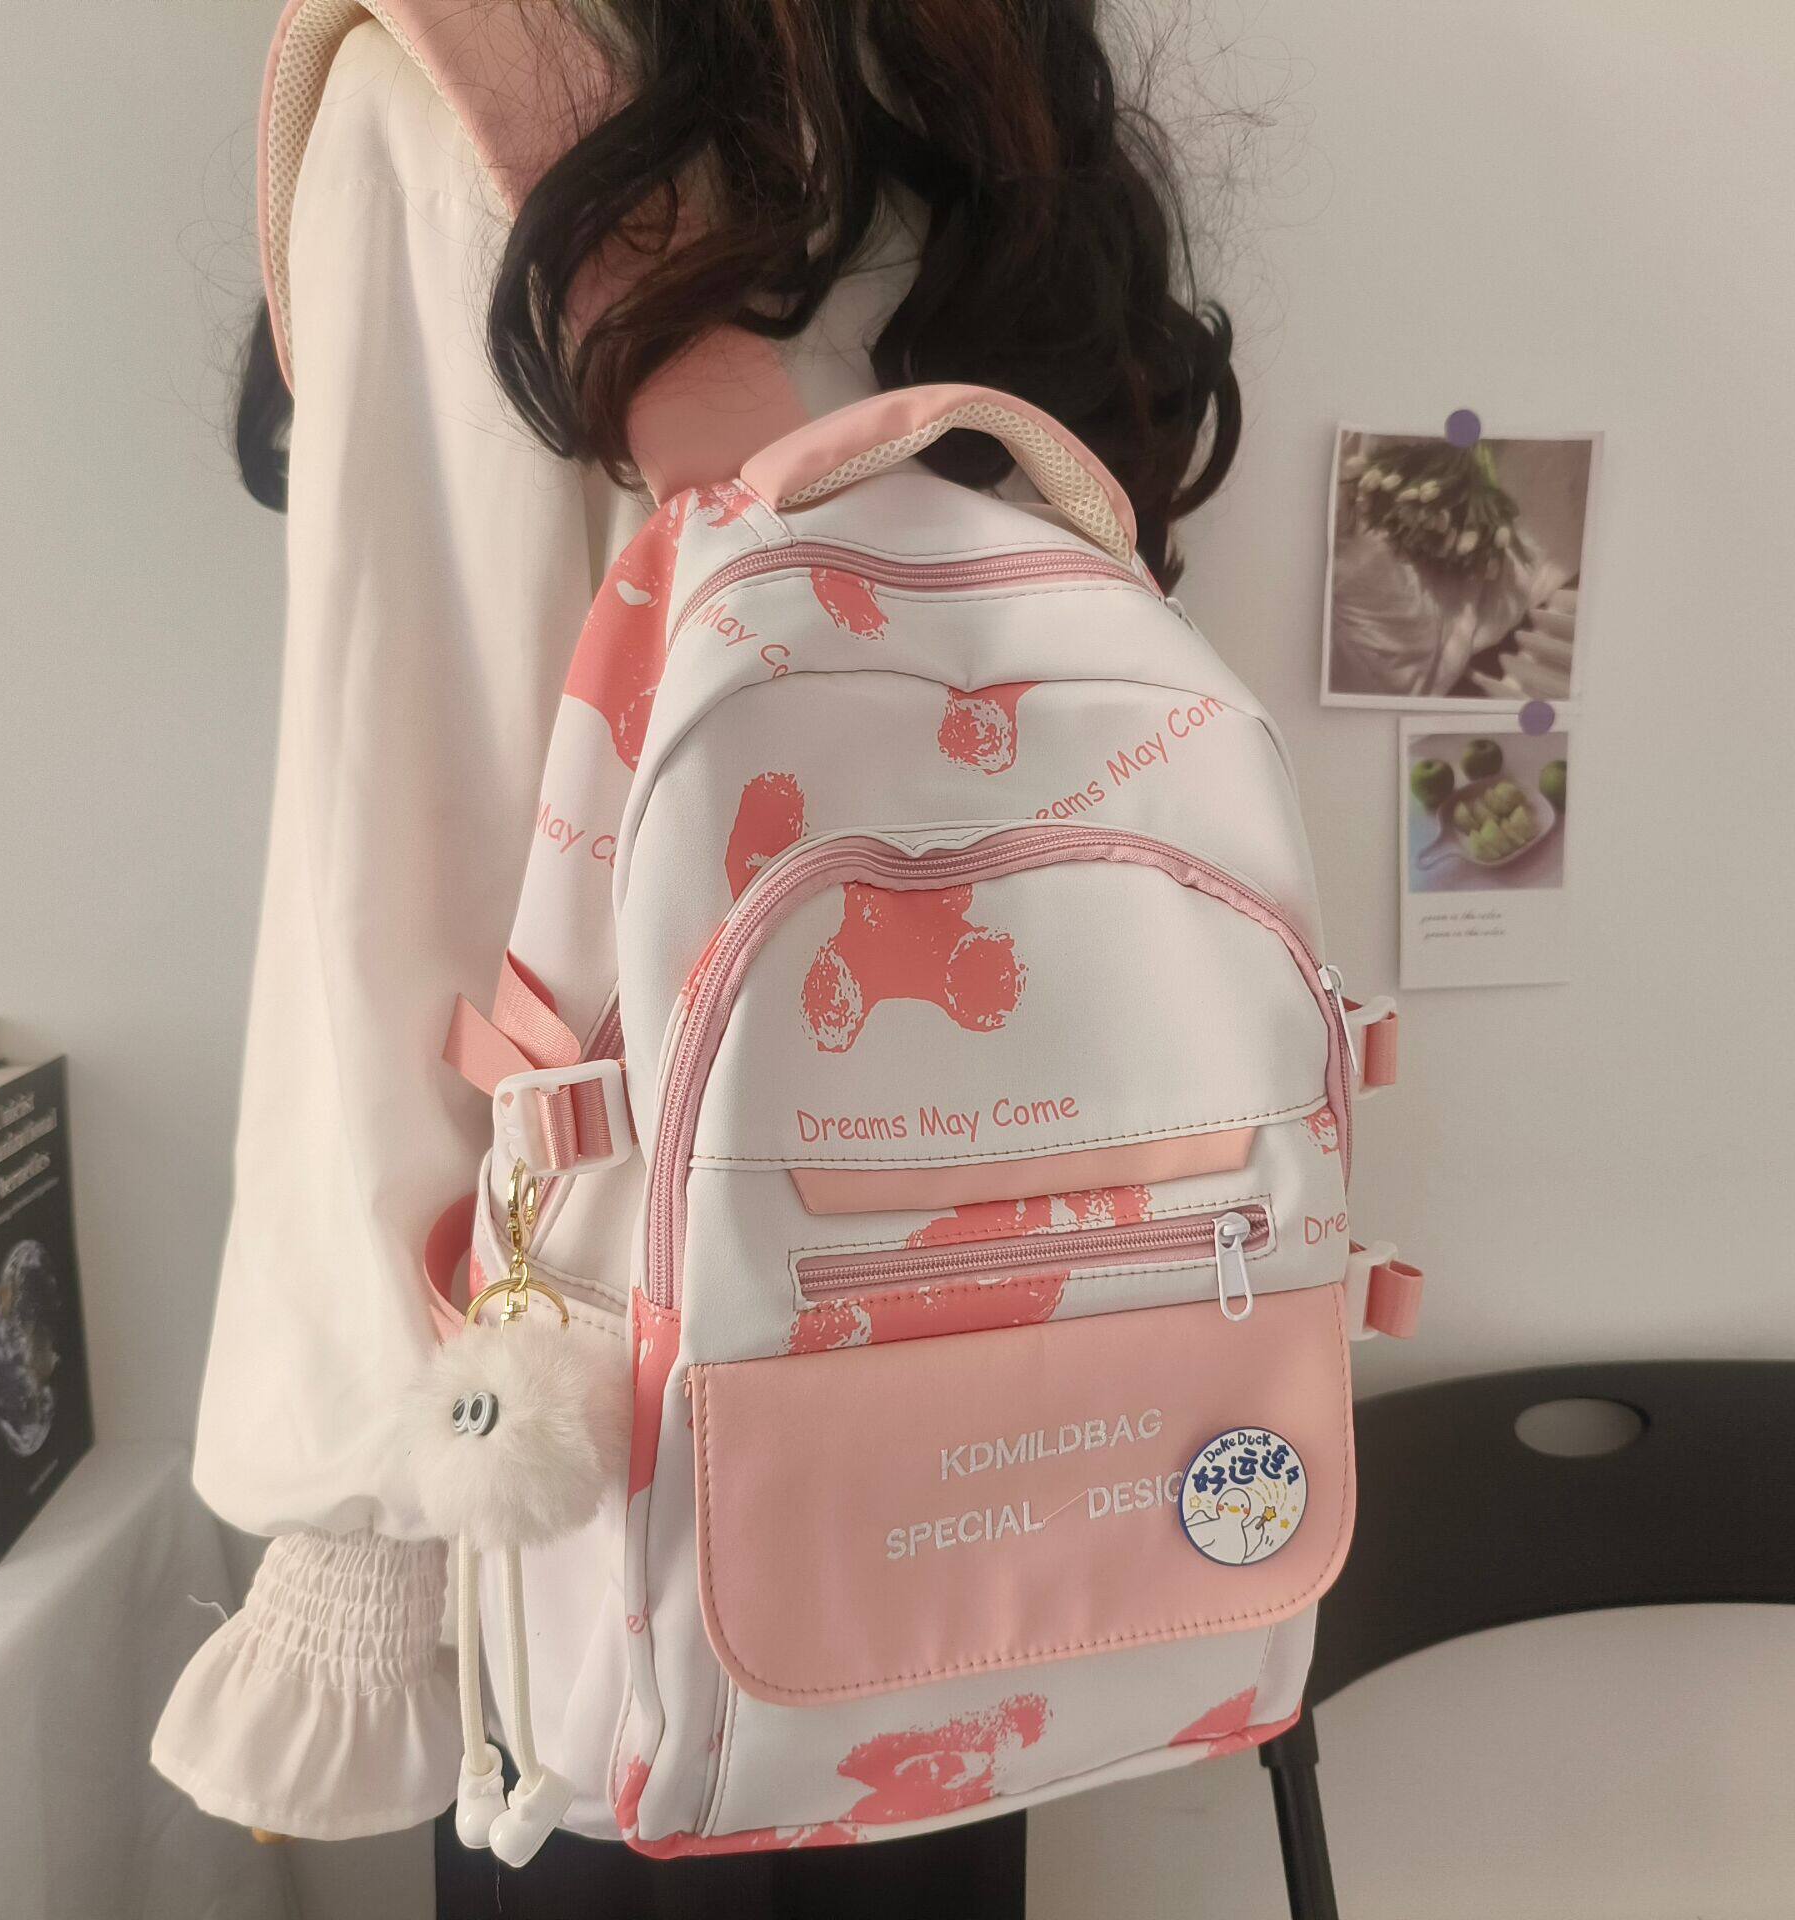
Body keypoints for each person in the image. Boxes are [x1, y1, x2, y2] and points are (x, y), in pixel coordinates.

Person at [152, 3, 1241, 1910]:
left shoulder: (465, 88)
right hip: (1016, 1410)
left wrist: (358, 1521)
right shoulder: (983, 77)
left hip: (635, 1454)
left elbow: (397, 853)